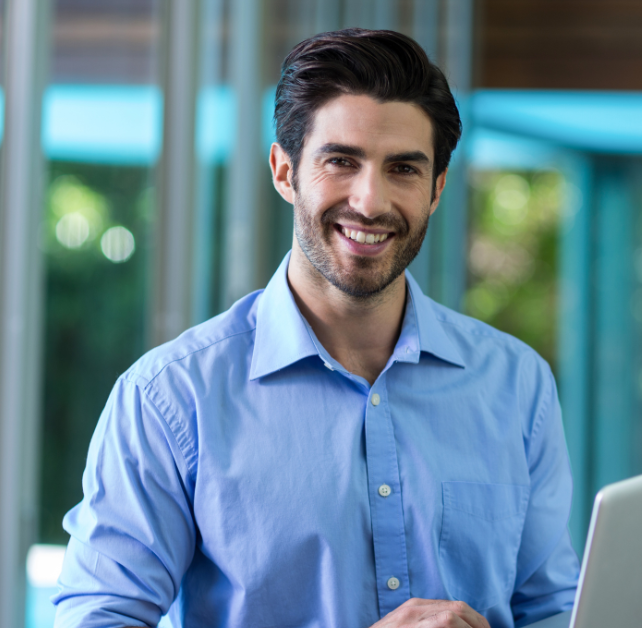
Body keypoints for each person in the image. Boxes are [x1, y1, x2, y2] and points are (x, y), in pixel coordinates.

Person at [53, 28, 579, 628]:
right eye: (341, 161)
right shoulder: (172, 398)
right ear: (284, 171)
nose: (371, 200)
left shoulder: (516, 384)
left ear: (435, 190)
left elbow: (554, 610)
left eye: (402, 169)